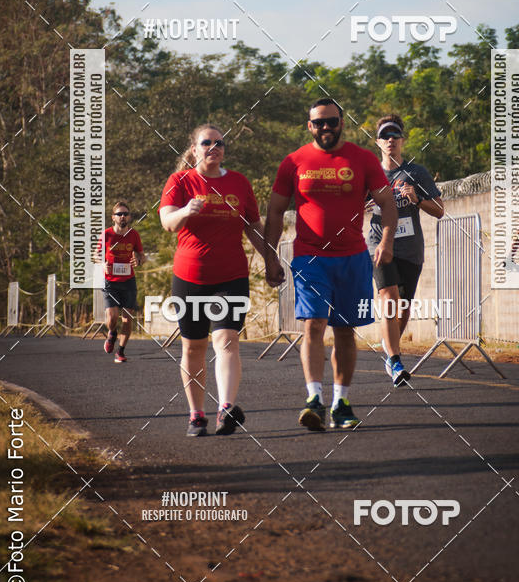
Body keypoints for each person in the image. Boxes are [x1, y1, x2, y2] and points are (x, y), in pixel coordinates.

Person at [265, 98, 397, 432]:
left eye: (332, 121)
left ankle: (341, 402)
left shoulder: (363, 158)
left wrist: (386, 241)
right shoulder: (294, 161)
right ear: (309, 125)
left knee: (344, 330)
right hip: (310, 258)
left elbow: (386, 201)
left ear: (342, 122)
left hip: (352, 258)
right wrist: (269, 256)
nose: (326, 127)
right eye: (319, 122)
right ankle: (314, 399)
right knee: (313, 324)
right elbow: (276, 210)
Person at [159, 124, 266, 437]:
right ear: (194, 149)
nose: (214, 147)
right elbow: (167, 222)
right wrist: (185, 211)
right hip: (190, 277)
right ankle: (196, 415)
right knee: (194, 347)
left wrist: (272, 261)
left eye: (220, 143)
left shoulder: (239, 182)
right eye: (207, 142)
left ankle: (225, 408)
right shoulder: (180, 181)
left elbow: (254, 227)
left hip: (231, 276)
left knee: (226, 340)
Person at [368, 115, 444, 386]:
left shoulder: (417, 173)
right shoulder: (371, 174)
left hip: (411, 248)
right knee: (389, 298)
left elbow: (440, 211)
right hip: (379, 245)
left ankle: (390, 349)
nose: (390, 140)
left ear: (402, 141)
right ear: (378, 142)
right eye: (385, 136)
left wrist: (418, 199)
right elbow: (352, 210)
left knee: (404, 306)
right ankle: (396, 361)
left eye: (395, 135)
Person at [96, 201, 145, 363]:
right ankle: (111, 333)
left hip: (128, 281)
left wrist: (138, 261)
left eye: (125, 214)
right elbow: (96, 255)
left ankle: (121, 351)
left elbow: (141, 255)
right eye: (119, 214)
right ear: (113, 217)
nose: (123, 216)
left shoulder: (134, 234)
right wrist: (102, 263)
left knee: (127, 318)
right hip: (110, 281)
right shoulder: (106, 235)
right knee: (112, 316)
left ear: (129, 217)